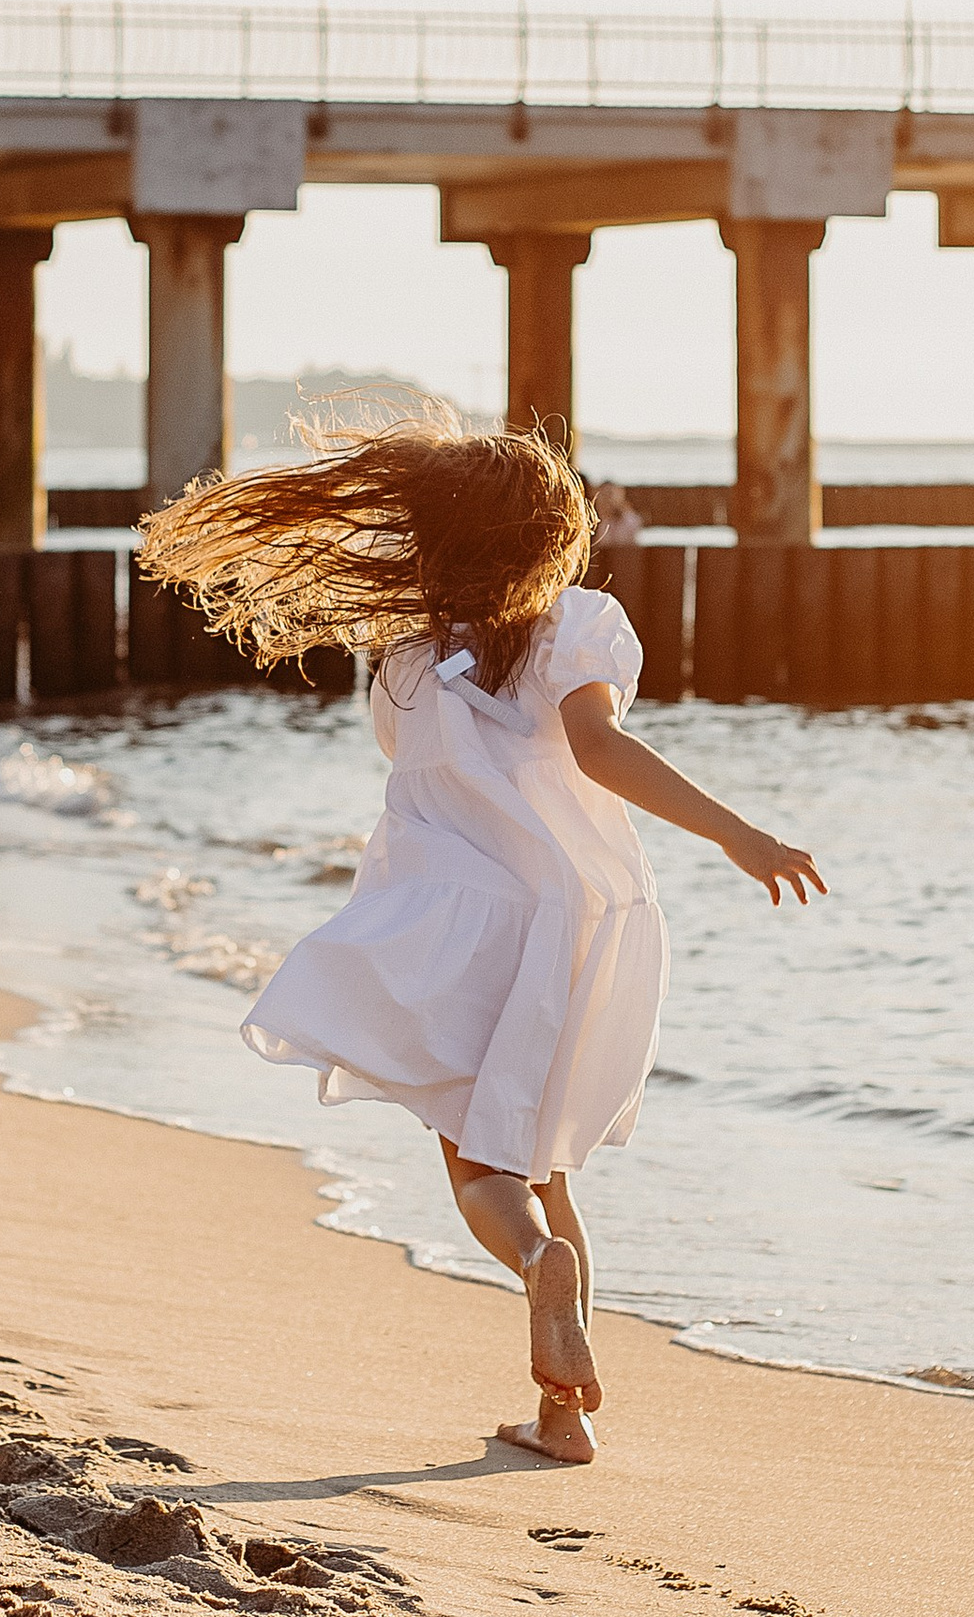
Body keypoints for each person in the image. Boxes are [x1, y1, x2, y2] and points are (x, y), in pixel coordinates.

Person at [136, 416, 825, 1465]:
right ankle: (563, 1410)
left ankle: (537, 1272)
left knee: (483, 1175)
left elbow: (417, 767)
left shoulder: (408, 655)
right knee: (543, 1161)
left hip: (454, 925)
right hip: (574, 920)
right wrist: (738, 832)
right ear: (549, 539)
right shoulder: (576, 628)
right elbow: (601, 750)